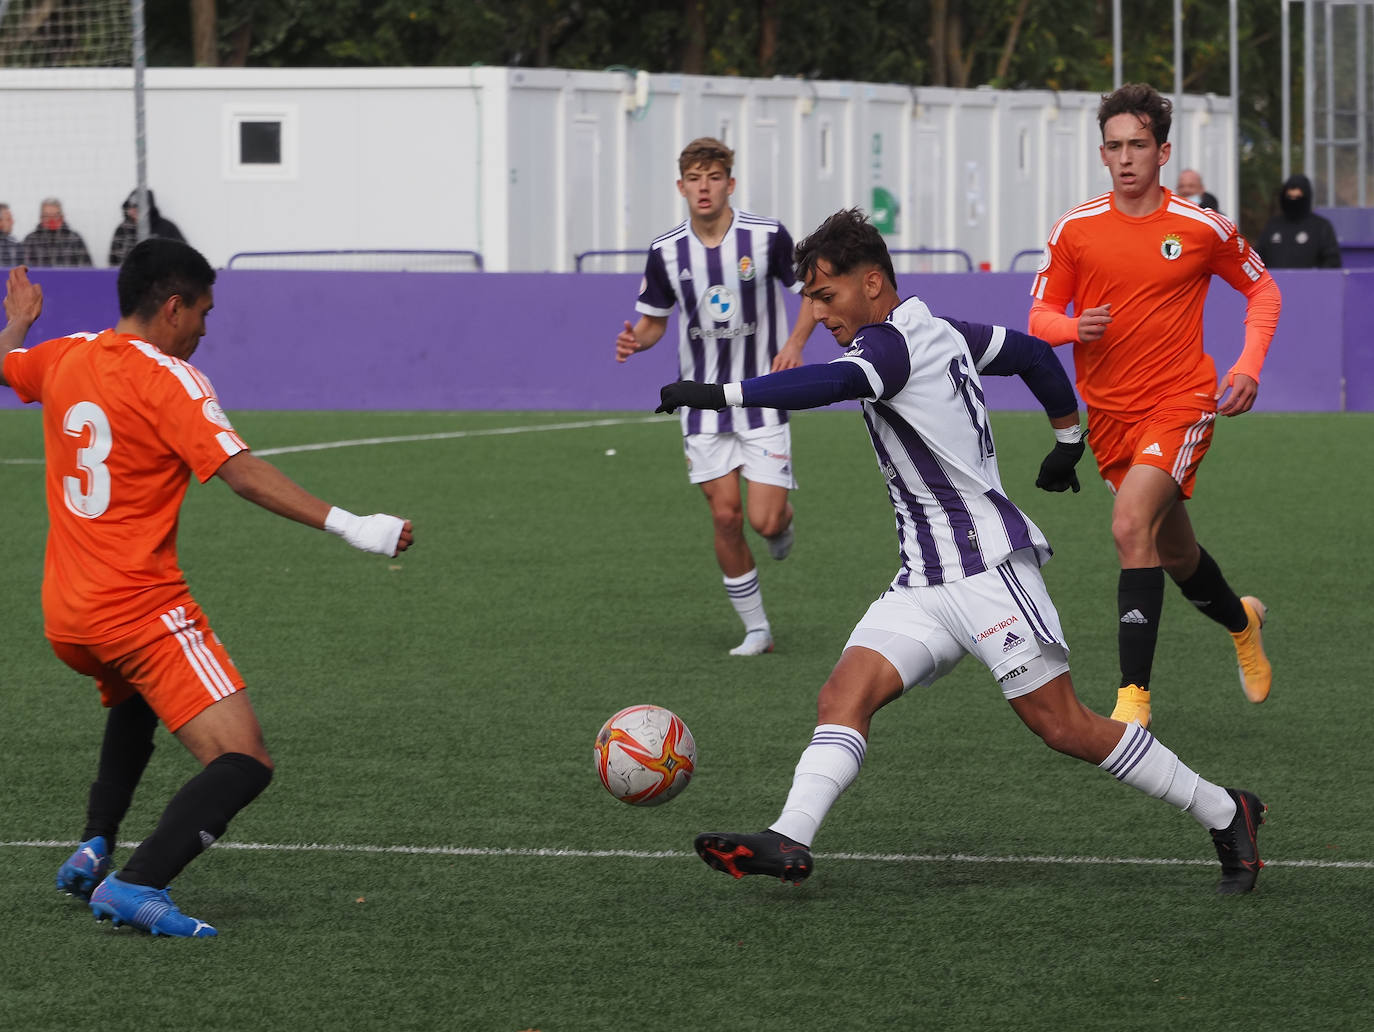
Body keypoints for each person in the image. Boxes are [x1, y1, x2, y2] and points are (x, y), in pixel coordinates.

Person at [658, 208, 1266, 895]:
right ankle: (790, 837)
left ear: (872, 283)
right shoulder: (939, 328)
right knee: (842, 696)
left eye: (827, 296)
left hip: (987, 573)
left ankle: (1226, 811)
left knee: (1064, 726)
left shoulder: (889, 347)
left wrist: (721, 394)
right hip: (924, 580)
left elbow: (830, 383)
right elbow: (1033, 355)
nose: (819, 314)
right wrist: (1066, 442)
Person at [0, 242, 415, 938]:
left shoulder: (65, 354)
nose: (203, 329)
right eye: (202, 312)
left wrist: (17, 321)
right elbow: (241, 472)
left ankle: (96, 840)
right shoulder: (171, 378)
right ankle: (137, 884)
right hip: (137, 610)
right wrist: (355, 526)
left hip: (67, 619)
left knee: (134, 696)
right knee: (243, 759)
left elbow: (7, 362)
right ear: (172, 307)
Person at [1027, 82, 1282, 730]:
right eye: (1114, 146)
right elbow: (1040, 316)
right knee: (1176, 554)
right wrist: (1073, 327)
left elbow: (1264, 292)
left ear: (1162, 152)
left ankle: (1132, 700)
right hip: (1111, 418)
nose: (1125, 157)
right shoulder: (1075, 229)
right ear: (1102, 154)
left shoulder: (1200, 227)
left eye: (1138, 144)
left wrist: (1248, 366)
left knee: (1127, 525)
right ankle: (1242, 621)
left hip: (1181, 402)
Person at [615, 137, 818, 656]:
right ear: (680, 187)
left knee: (764, 520)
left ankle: (782, 525)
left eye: (713, 178)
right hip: (702, 405)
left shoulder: (766, 237)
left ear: (730, 184)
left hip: (762, 396)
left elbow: (812, 293)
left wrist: (795, 344)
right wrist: (637, 341)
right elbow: (654, 322)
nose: (703, 188)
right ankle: (757, 630)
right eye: (694, 179)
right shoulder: (666, 251)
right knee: (726, 516)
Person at [1256, 174, 1342, 269]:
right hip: (1274, 278)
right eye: (1289, 197)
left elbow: (1332, 263)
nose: (1293, 202)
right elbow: (1258, 260)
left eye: (1298, 197)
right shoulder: (1272, 226)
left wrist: (1314, 276)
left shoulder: (1321, 227)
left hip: (1310, 279)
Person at [109, 187, 187, 268]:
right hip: (128, 275)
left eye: (137, 207)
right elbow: (113, 262)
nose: (133, 211)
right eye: (130, 207)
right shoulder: (122, 230)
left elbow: (185, 256)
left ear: (149, 208)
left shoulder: (167, 228)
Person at [22, 197, 93, 267]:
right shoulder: (30, 240)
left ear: (62, 217)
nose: (51, 220)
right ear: (41, 218)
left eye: (55, 216)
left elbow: (87, 267)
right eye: (47, 216)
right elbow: (23, 269)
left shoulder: (75, 239)